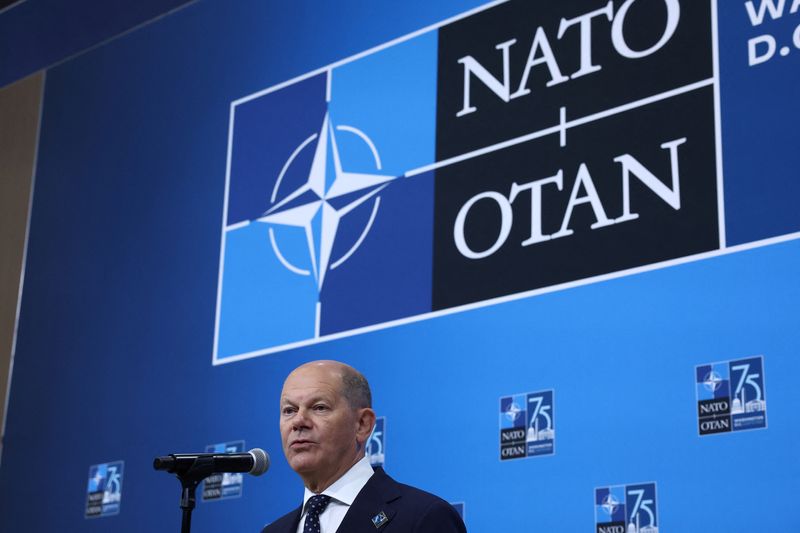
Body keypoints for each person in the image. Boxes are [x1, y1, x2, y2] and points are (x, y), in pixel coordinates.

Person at [261, 360, 466, 533]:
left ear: (362, 424)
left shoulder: (423, 517)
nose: (298, 421)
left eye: (319, 407)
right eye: (289, 410)